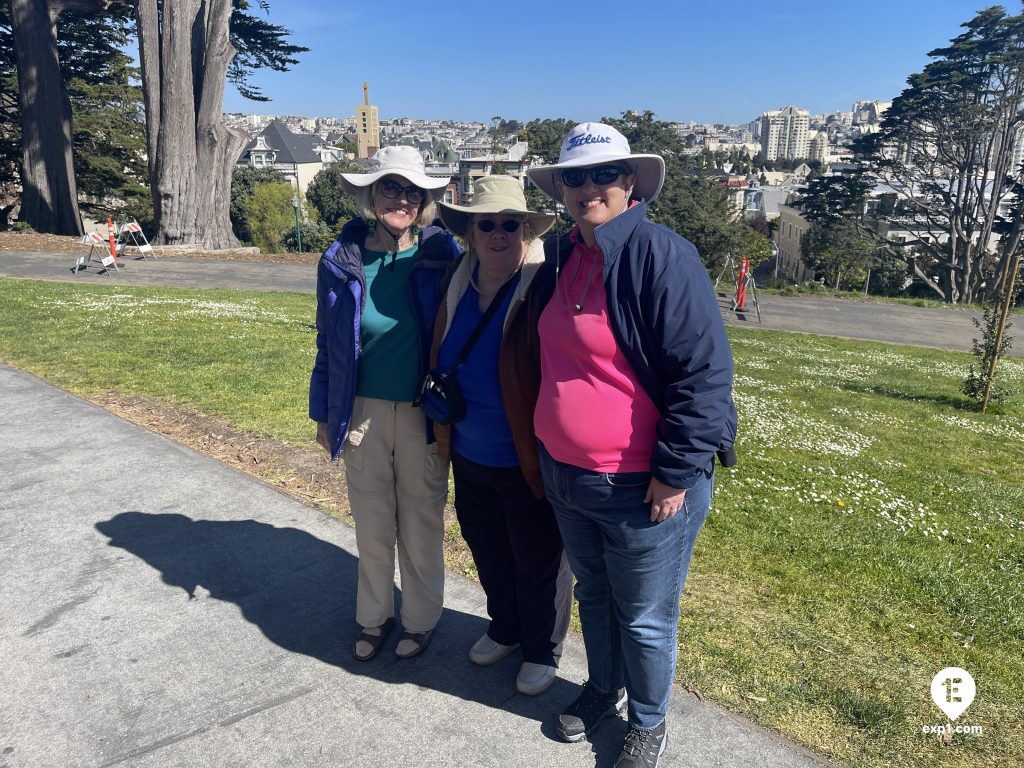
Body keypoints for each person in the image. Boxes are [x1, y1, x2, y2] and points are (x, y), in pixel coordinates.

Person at [523, 123, 738, 767]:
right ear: (560, 188)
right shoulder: (564, 255)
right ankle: (603, 689)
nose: (588, 187)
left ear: (628, 184)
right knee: (595, 594)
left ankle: (648, 720)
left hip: (642, 483)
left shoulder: (661, 255)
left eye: (602, 175)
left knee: (645, 616)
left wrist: (674, 474)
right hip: (569, 475)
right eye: (574, 177)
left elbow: (704, 377)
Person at [309, 146, 460, 661]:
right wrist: (324, 414)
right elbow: (327, 343)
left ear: (424, 201)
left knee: (420, 524)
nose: (402, 199)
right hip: (363, 412)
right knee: (372, 527)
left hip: (423, 415)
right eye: (391, 188)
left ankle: (421, 620)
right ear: (372, 195)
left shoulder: (443, 258)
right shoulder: (340, 261)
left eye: (412, 191)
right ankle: (374, 618)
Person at [429, 175, 573, 696]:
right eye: (484, 224)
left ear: (527, 230)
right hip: (468, 453)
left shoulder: (545, 286)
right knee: (487, 550)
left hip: (526, 457)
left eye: (509, 224)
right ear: (468, 232)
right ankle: (506, 628)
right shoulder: (455, 281)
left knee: (537, 560)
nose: (497, 234)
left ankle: (542, 648)